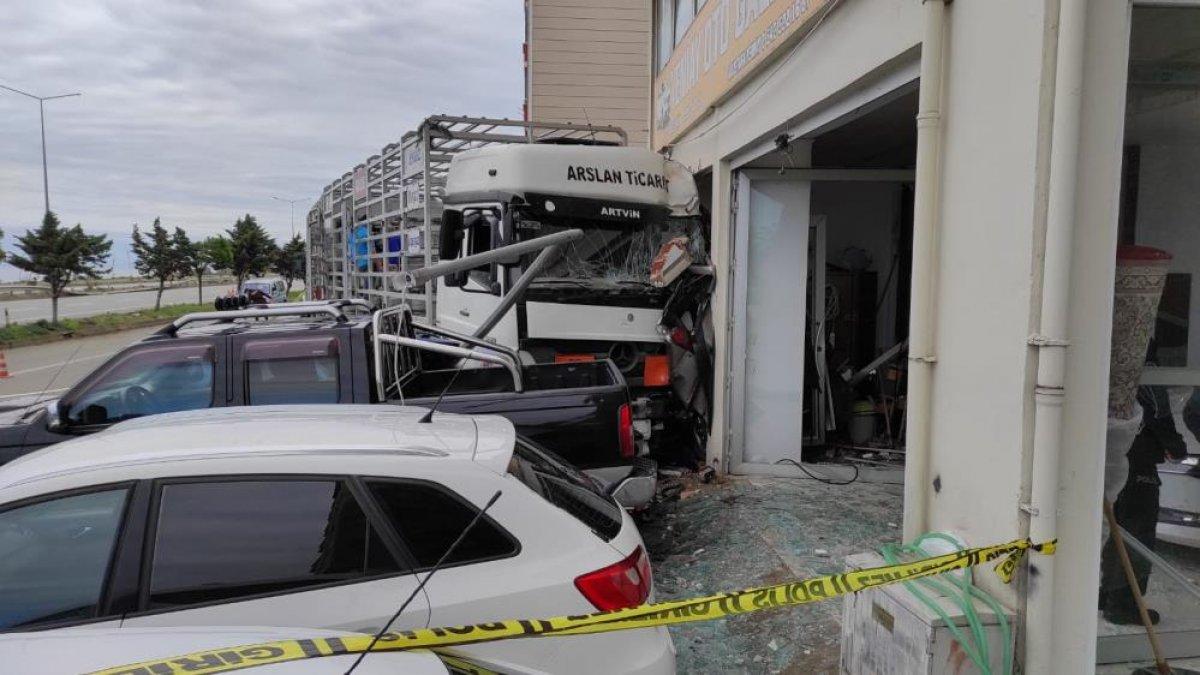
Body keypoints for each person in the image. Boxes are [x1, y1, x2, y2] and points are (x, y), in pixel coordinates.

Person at [1099, 383, 1190, 625]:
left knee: (1117, 527)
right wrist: (1175, 445)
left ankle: (1107, 593)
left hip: (1113, 455)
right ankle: (1124, 603)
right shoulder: (1147, 364)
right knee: (1138, 532)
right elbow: (1156, 410)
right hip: (1138, 458)